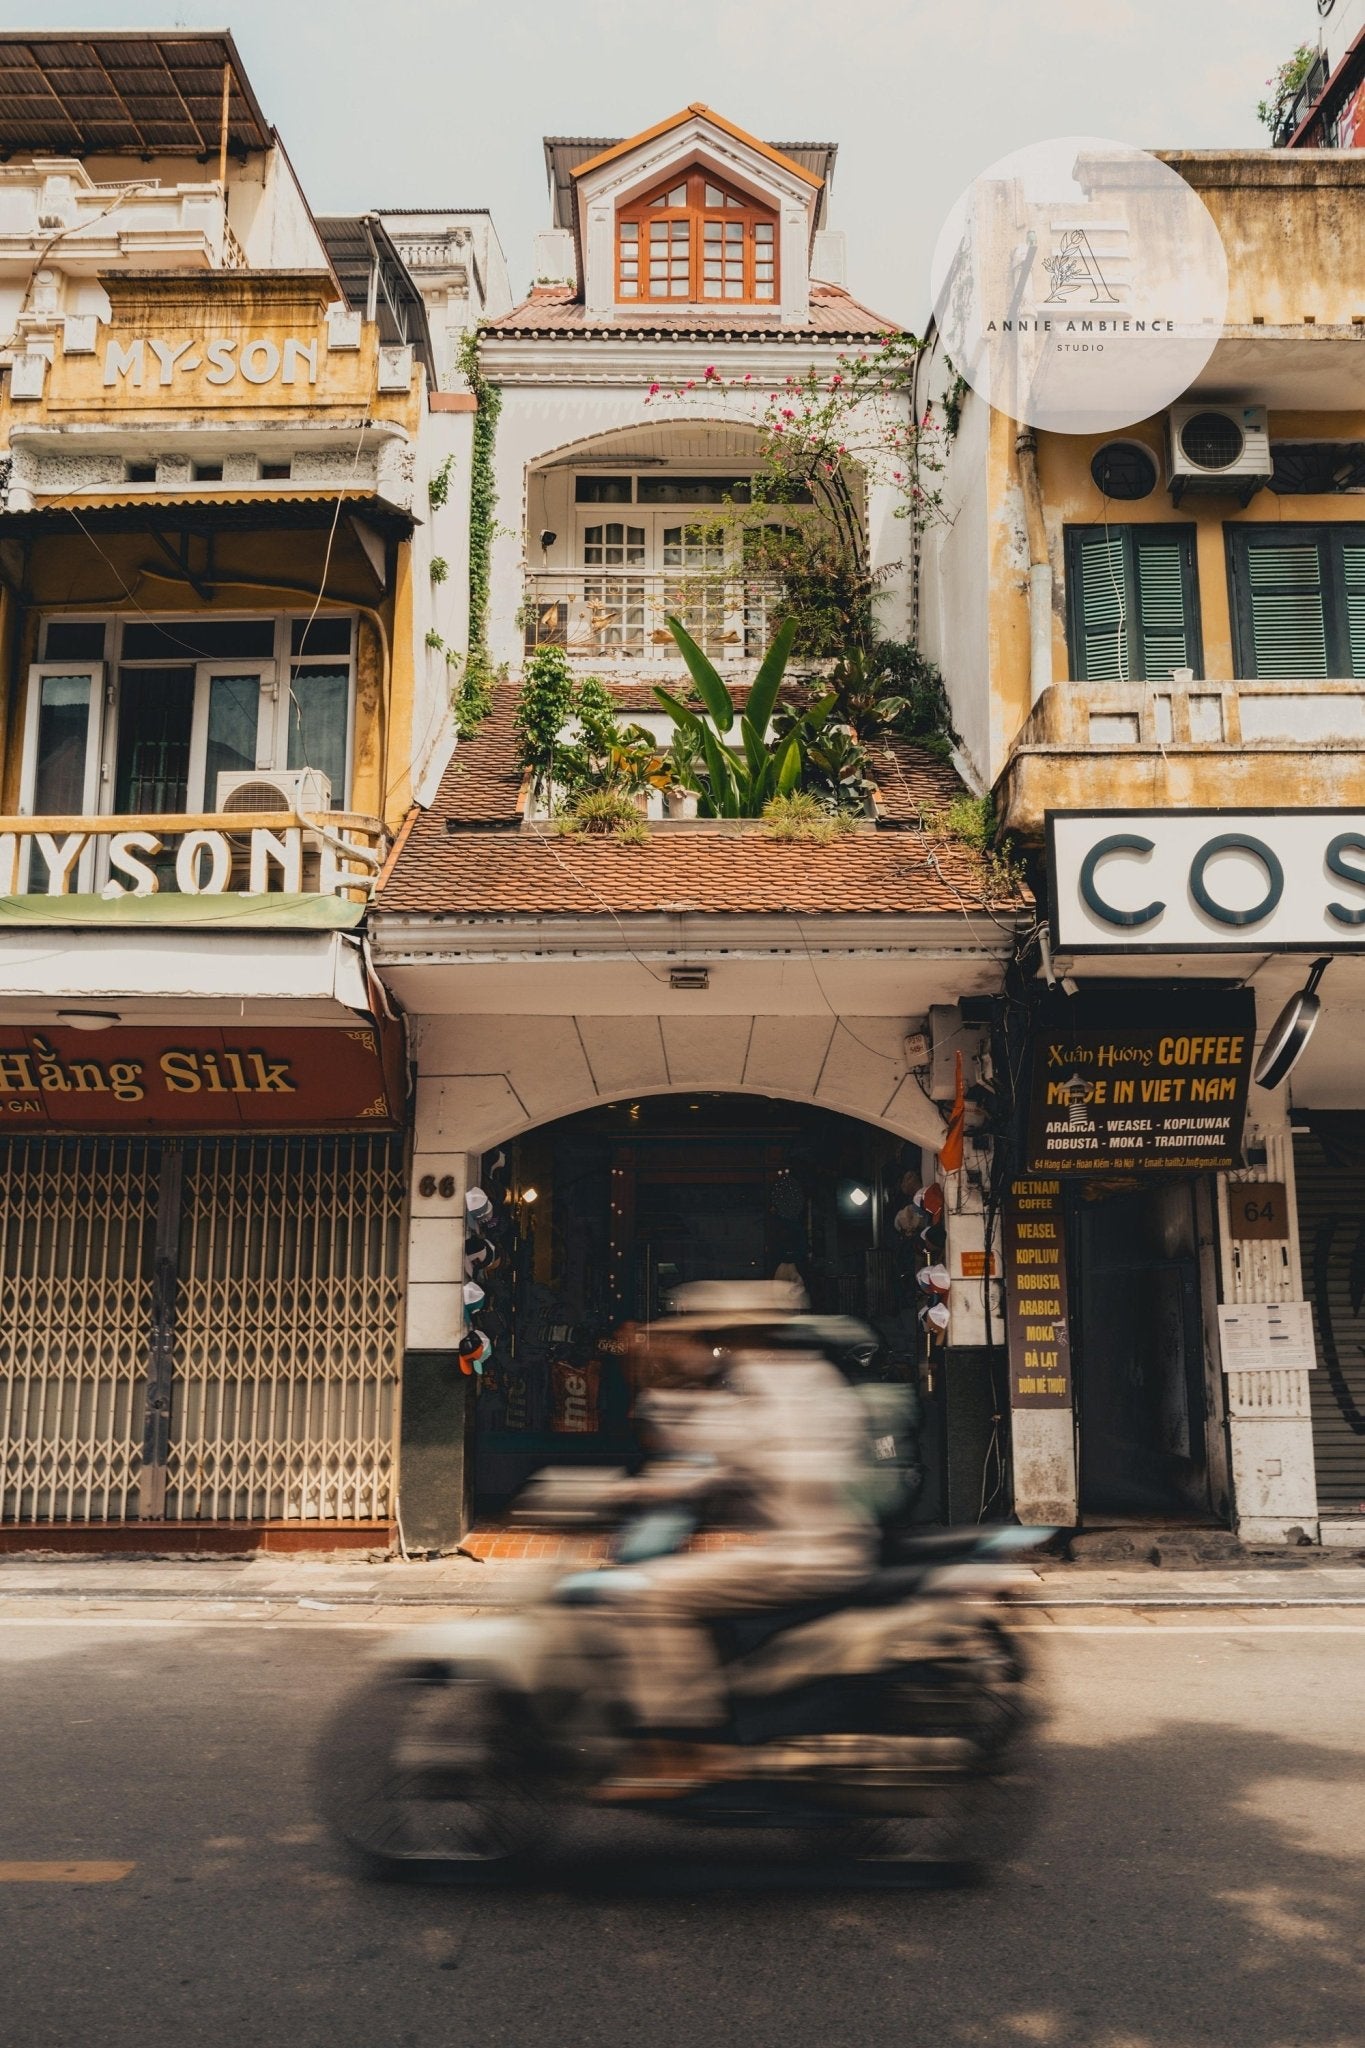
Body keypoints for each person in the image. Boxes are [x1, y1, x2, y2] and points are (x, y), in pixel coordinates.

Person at [599, 1280, 881, 1790]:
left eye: (718, 1334)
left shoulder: (765, 1382)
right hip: (823, 1542)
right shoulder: (809, 1375)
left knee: (652, 1595)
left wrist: (634, 1489)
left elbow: (718, 1453)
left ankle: (686, 1748)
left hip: (802, 1554)